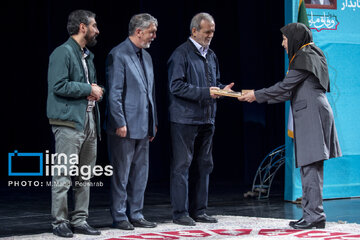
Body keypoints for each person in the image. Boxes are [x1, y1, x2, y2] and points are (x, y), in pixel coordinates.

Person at [238, 22, 342, 229]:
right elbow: (287, 92)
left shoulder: (304, 56)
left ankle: (314, 216)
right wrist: (255, 96)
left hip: (312, 114)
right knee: (308, 166)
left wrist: (255, 95)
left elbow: (285, 87)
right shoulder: (311, 54)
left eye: (285, 39)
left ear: (294, 38)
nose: (283, 44)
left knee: (310, 166)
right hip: (312, 112)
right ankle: (313, 214)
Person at [167, 12, 234, 226]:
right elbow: (175, 86)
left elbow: (214, 83)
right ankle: (180, 213)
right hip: (185, 120)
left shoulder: (211, 55)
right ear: (194, 31)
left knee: (205, 165)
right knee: (182, 165)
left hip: (207, 119)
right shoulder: (181, 54)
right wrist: (207, 92)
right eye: (207, 32)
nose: (210, 35)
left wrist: (225, 91)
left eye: (213, 32)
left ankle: (200, 210)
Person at [46, 9, 103, 238]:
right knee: (63, 174)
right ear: (82, 27)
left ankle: (80, 219)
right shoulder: (62, 52)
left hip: (89, 120)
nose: (97, 30)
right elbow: (58, 85)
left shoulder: (87, 55)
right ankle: (59, 221)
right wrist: (89, 90)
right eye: (94, 26)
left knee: (85, 175)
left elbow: (94, 85)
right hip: (69, 122)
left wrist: (98, 91)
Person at [104, 13, 158, 230]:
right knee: (121, 174)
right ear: (138, 31)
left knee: (140, 174)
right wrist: (119, 122)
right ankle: (119, 216)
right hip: (124, 127)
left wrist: (153, 121)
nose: (154, 36)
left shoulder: (147, 56)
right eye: (151, 31)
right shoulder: (118, 54)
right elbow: (114, 93)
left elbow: (150, 93)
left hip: (144, 126)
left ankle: (136, 213)